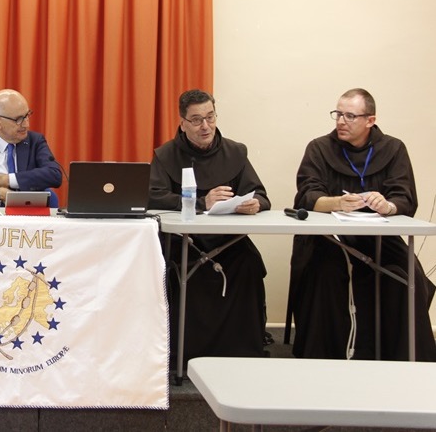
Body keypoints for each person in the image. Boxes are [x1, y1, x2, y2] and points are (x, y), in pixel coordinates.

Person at [290, 88, 436, 361]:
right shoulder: (319, 148)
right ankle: (325, 360)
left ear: (370, 120)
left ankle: (406, 361)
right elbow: (307, 196)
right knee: (325, 273)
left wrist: (387, 205)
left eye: (350, 116)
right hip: (330, 238)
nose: (341, 121)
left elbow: (404, 197)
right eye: (338, 114)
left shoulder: (393, 148)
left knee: (409, 275)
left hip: (380, 237)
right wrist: (337, 202)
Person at [149, 89, 270, 362]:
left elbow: (261, 195)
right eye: (196, 120)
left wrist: (255, 204)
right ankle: (184, 352)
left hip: (228, 241)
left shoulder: (235, 152)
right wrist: (202, 202)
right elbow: (153, 196)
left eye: (210, 117)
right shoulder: (166, 155)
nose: (205, 126)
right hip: (185, 242)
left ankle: (242, 350)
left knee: (249, 262)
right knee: (174, 269)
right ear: (182, 123)